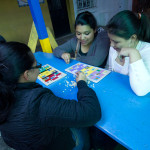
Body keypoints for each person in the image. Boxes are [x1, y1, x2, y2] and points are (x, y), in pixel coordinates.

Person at [0, 42, 101, 150]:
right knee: (83, 127)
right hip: (52, 144)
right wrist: (82, 83)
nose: (39, 70)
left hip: (23, 143)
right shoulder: (37, 102)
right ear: (27, 74)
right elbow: (91, 112)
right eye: (37, 66)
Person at [106, 10, 150, 96]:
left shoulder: (147, 51)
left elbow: (141, 90)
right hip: (115, 93)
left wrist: (133, 53)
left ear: (133, 38)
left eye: (116, 41)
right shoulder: (114, 48)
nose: (111, 45)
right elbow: (110, 70)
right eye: (110, 40)